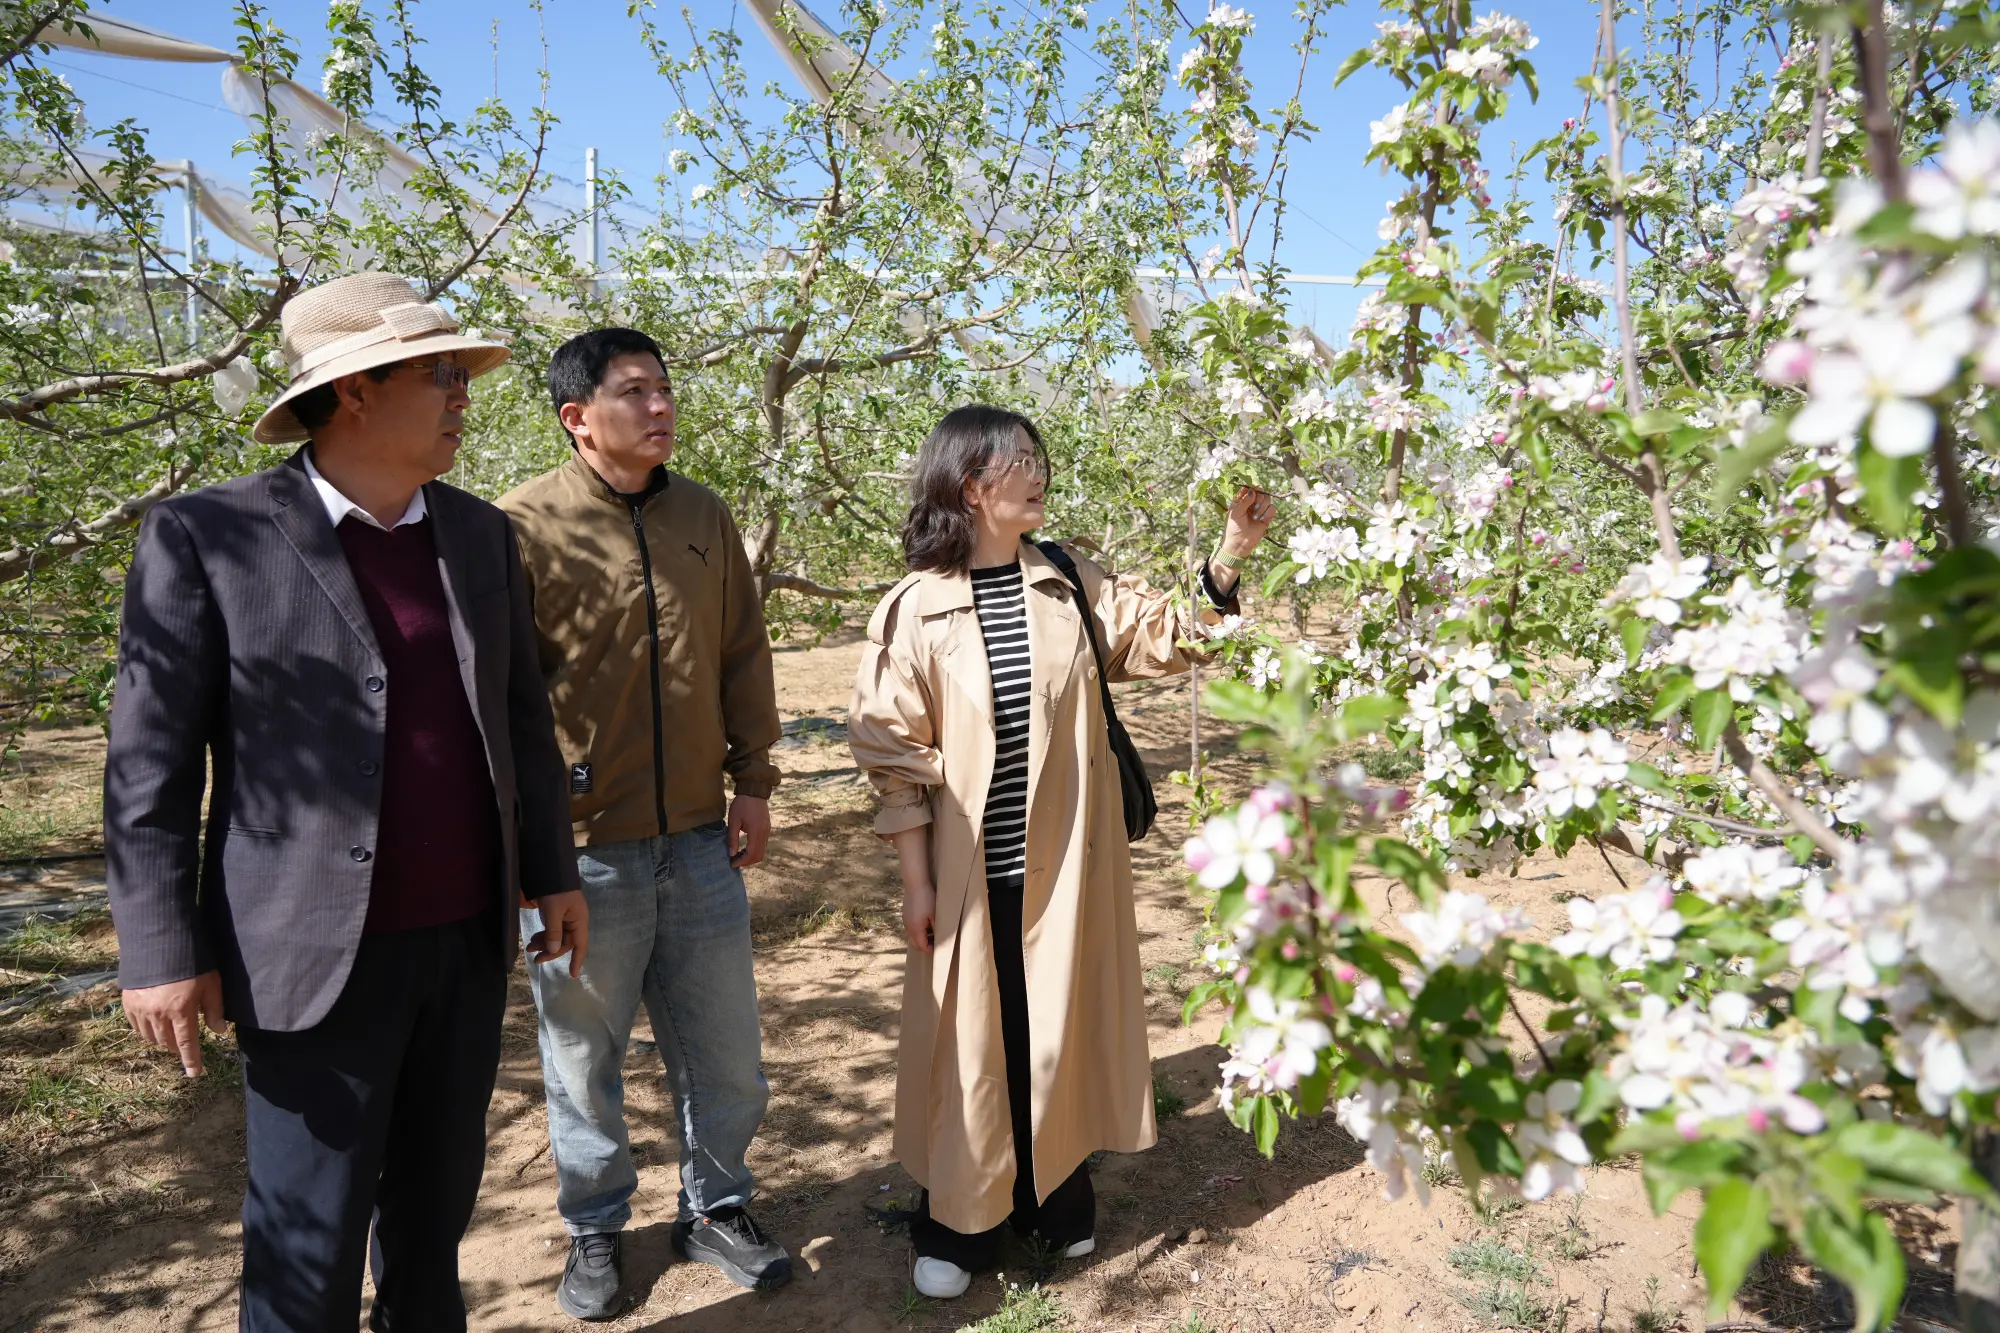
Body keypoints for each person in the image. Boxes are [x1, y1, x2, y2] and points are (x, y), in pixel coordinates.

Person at [104, 271, 589, 1333]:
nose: (463, 392)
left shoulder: (478, 534)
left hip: (462, 939)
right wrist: (158, 947)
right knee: (307, 1243)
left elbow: (522, 722)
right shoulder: (209, 536)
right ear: (357, 391)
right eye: (439, 372)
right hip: (307, 949)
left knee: (432, 1217)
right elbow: (149, 766)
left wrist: (551, 870)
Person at [848, 404, 1273, 1298]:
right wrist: (917, 884)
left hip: (1067, 866)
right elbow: (896, 762)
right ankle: (960, 1222)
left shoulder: (1069, 579)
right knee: (973, 1041)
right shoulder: (915, 609)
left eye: (1039, 458)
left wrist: (1232, 551)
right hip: (969, 875)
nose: (1038, 474)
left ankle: (1055, 1199)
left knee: (1055, 1029)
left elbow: (1166, 636)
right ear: (971, 484)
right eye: (1020, 461)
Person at [498, 327, 791, 1319]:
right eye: (634, 392)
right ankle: (595, 1225)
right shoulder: (521, 526)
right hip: (580, 854)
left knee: (726, 1053)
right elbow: (502, 698)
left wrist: (753, 779)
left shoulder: (703, 514)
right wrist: (530, 846)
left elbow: (742, 651)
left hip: (700, 836)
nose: (661, 406)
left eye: (664, 388)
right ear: (577, 416)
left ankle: (715, 1205)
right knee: (583, 1059)